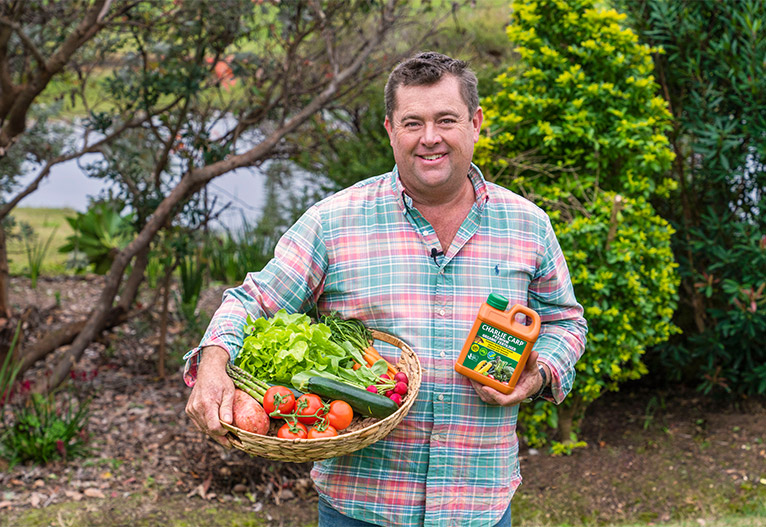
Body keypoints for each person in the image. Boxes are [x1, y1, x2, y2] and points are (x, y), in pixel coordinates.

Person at [184, 51, 587, 527]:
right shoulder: (334, 222)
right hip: (361, 507)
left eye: (446, 120)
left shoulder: (527, 226)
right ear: (390, 130)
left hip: (478, 504)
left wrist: (537, 376)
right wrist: (213, 362)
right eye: (412, 122)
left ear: (476, 123)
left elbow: (565, 322)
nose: (430, 138)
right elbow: (252, 301)